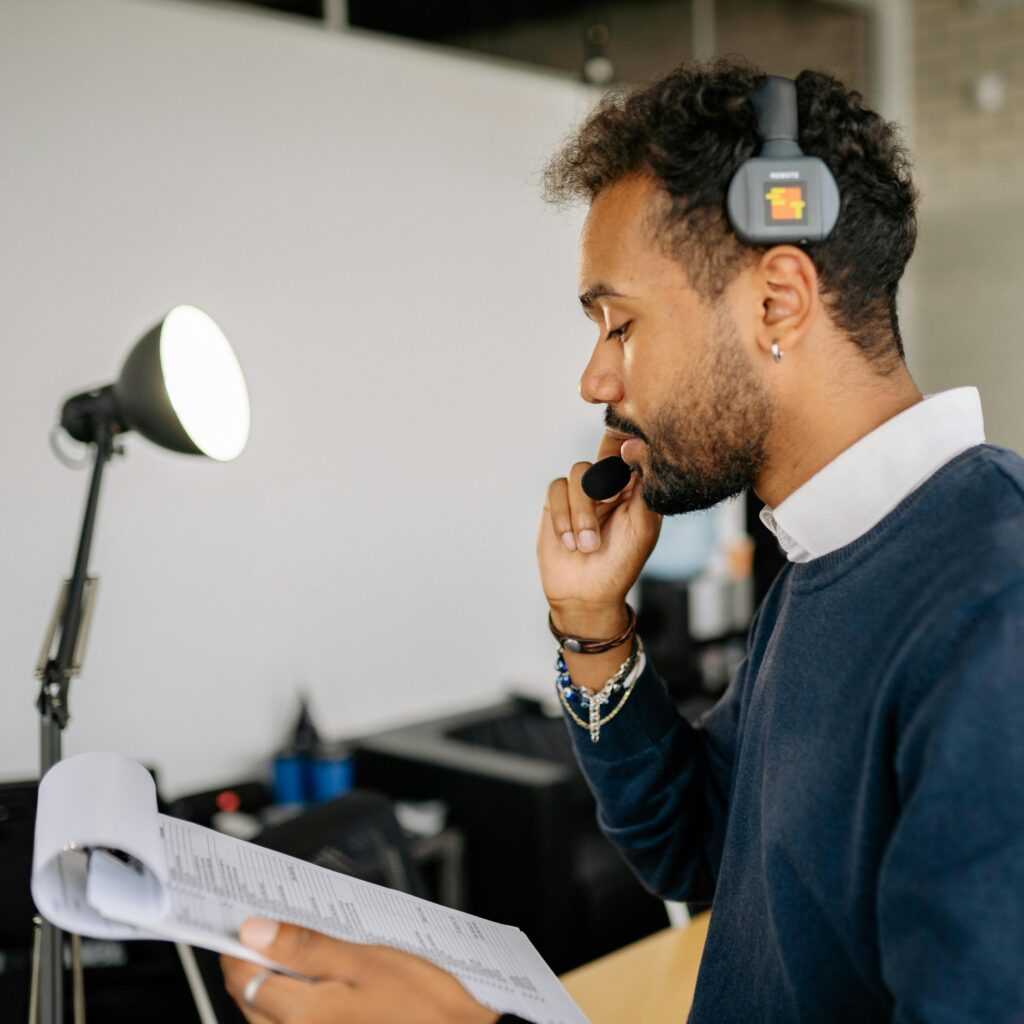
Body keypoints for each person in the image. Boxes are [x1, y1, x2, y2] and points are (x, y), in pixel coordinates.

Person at [221, 60, 1024, 1023]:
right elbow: (698, 844)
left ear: (778, 301)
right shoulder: (830, 557)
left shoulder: (992, 606)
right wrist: (592, 626)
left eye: (620, 323)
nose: (595, 379)